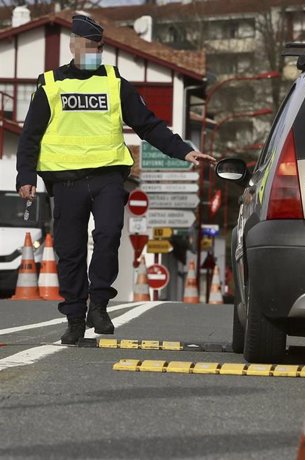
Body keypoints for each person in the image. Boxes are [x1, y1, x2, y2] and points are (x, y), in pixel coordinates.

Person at [15, 15, 215, 344]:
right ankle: (76, 316)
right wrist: (25, 175)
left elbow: (147, 124)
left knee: (108, 236)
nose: (97, 52)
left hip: (108, 176)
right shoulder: (51, 84)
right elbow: (30, 136)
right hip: (65, 181)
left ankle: (101, 306)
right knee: (70, 251)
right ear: (74, 45)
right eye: (91, 46)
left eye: (100, 47)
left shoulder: (113, 81)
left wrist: (183, 151)